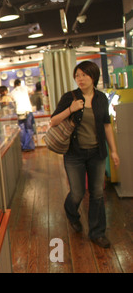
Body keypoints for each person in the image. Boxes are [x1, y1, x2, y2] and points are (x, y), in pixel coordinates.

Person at [50, 60, 120, 248]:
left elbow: (106, 125)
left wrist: (113, 151)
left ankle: (97, 233)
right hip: (74, 154)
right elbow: (53, 122)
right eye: (77, 75)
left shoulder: (101, 99)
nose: (80, 79)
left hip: (97, 153)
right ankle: (71, 212)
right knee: (78, 192)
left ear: (93, 76)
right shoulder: (69, 97)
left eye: (84, 75)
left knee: (97, 193)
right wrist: (70, 109)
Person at [11, 79, 35, 151]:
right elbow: (32, 92)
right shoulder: (24, 87)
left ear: (14, 85)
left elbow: (12, 101)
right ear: (20, 83)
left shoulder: (12, 92)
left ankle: (22, 146)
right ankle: (28, 146)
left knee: (21, 129)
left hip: (19, 112)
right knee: (29, 129)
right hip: (27, 111)